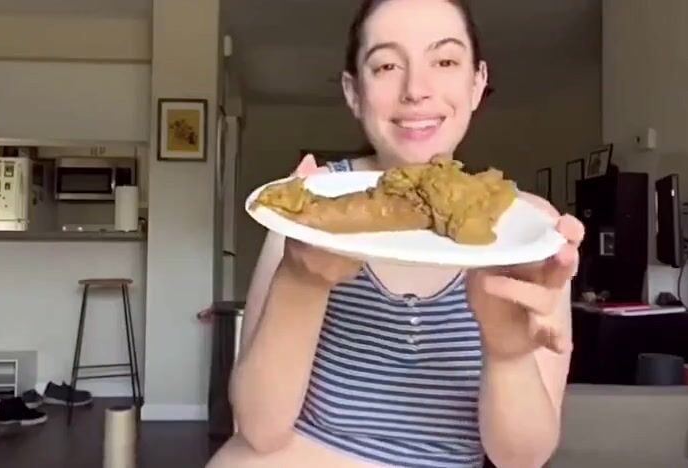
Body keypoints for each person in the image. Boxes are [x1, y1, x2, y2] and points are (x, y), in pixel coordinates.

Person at [207, 0, 584, 466]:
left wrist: (508, 353)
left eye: (444, 61)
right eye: (386, 65)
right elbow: (260, 430)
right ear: (353, 91)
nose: (416, 90)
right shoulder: (314, 204)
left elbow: (521, 459)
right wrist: (302, 280)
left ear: (476, 82)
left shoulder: (526, 230)